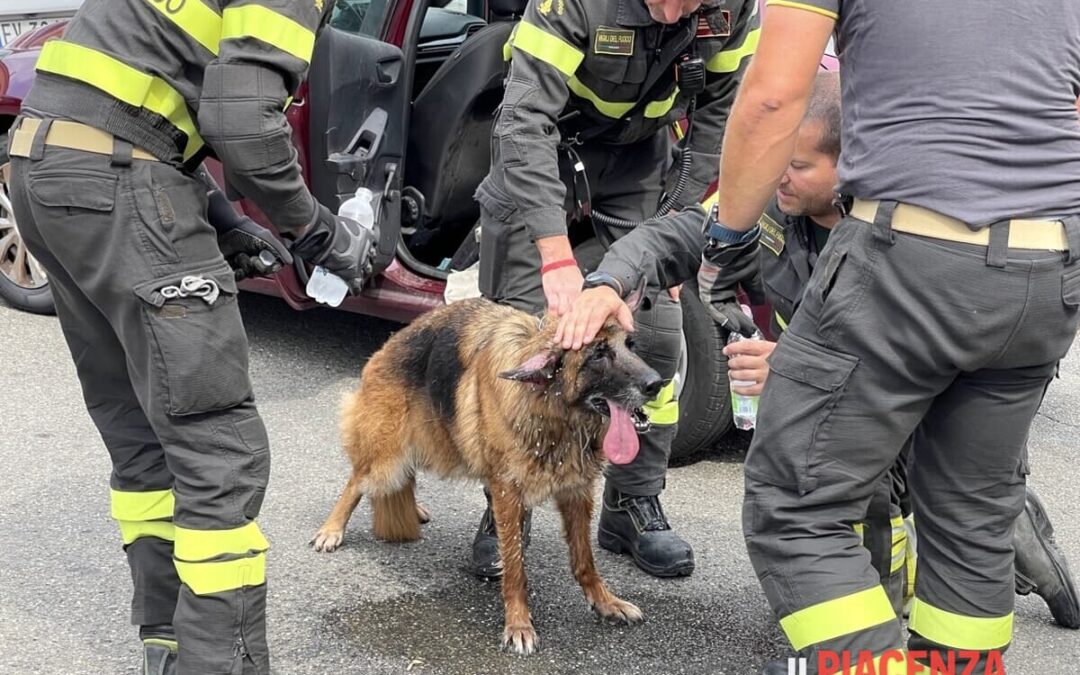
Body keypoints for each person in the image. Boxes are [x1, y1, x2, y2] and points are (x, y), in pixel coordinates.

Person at [554, 70, 1080, 643]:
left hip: (926, 402)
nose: (779, 176)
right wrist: (609, 280)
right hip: (863, 390)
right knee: (926, 511)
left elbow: (898, 361)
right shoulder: (778, 213)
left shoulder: (906, 236)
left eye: (799, 166)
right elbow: (677, 236)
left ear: (852, 161)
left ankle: (872, 635)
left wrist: (791, 364)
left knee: (904, 504)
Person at [694, 1, 1080, 671]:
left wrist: (727, 238)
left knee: (796, 502)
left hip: (911, 253)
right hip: (1047, 270)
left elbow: (774, 95)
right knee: (972, 518)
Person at [6, 1, 378, 672]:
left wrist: (222, 218)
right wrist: (319, 230)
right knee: (218, 450)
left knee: (140, 429)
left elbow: (141, 95)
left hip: (43, 168)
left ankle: (168, 640)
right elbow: (240, 120)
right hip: (119, 179)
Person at [471, 0, 760, 579]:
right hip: (541, 158)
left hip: (637, 165)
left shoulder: (736, 7)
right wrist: (555, 255)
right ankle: (506, 509)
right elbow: (524, 122)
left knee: (652, 339)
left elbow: (714, 127)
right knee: (523, 343)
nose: (675, 11)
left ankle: (631, 503)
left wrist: (676, 246)